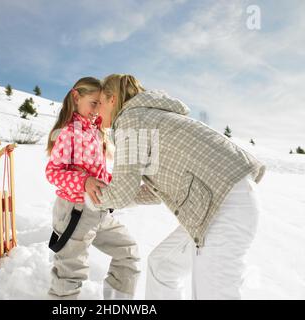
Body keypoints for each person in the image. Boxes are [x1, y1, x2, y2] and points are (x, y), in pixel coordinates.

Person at [85, 74, 266, 300]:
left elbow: (121, 193)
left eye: (99, 103)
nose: (96, 111)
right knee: (162, 266)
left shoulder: (131, 119)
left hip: (223, 205)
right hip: (222, 202)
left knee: (213, 293)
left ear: (112, 100)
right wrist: (116, 195)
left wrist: (91, 195)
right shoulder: (152, 117)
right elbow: (152, 193)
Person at [45, 76, 140, 299]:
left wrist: (115, 181)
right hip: (74, 212)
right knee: (70, 273)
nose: (98, 109)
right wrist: (84, 182)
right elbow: (53, 172)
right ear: (76, 97)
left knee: (128, 252)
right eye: (93, 103)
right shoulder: (69, 132)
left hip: (98, 210)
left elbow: (97, 173)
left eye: (101, 104)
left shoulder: (95, 132)